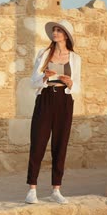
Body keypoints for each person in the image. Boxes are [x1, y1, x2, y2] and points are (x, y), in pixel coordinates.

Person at [25, 19, 81, 204]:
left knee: (60, 144)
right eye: (54, 30)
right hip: (46, 98)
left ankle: (56, 189)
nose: (55, 33)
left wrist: (70, 83)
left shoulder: (74, 58)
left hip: (64, 101)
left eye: (59, 30)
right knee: (38, 142)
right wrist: (43, 77)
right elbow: (33, 81)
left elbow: (78, 85)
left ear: (66, 35)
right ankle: (32, 189)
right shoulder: (44, 54)